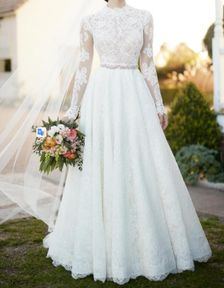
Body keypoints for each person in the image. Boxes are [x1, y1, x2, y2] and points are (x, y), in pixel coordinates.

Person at [41, 0, 212, 285]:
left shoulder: (145, 17)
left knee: (141, 162)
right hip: (102, 98)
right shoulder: (91, 21)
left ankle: (147, 243)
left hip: (135, 97)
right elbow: (83, 67)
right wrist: (72, 111)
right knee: (101, 163)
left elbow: (147, 63)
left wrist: (159, 104)